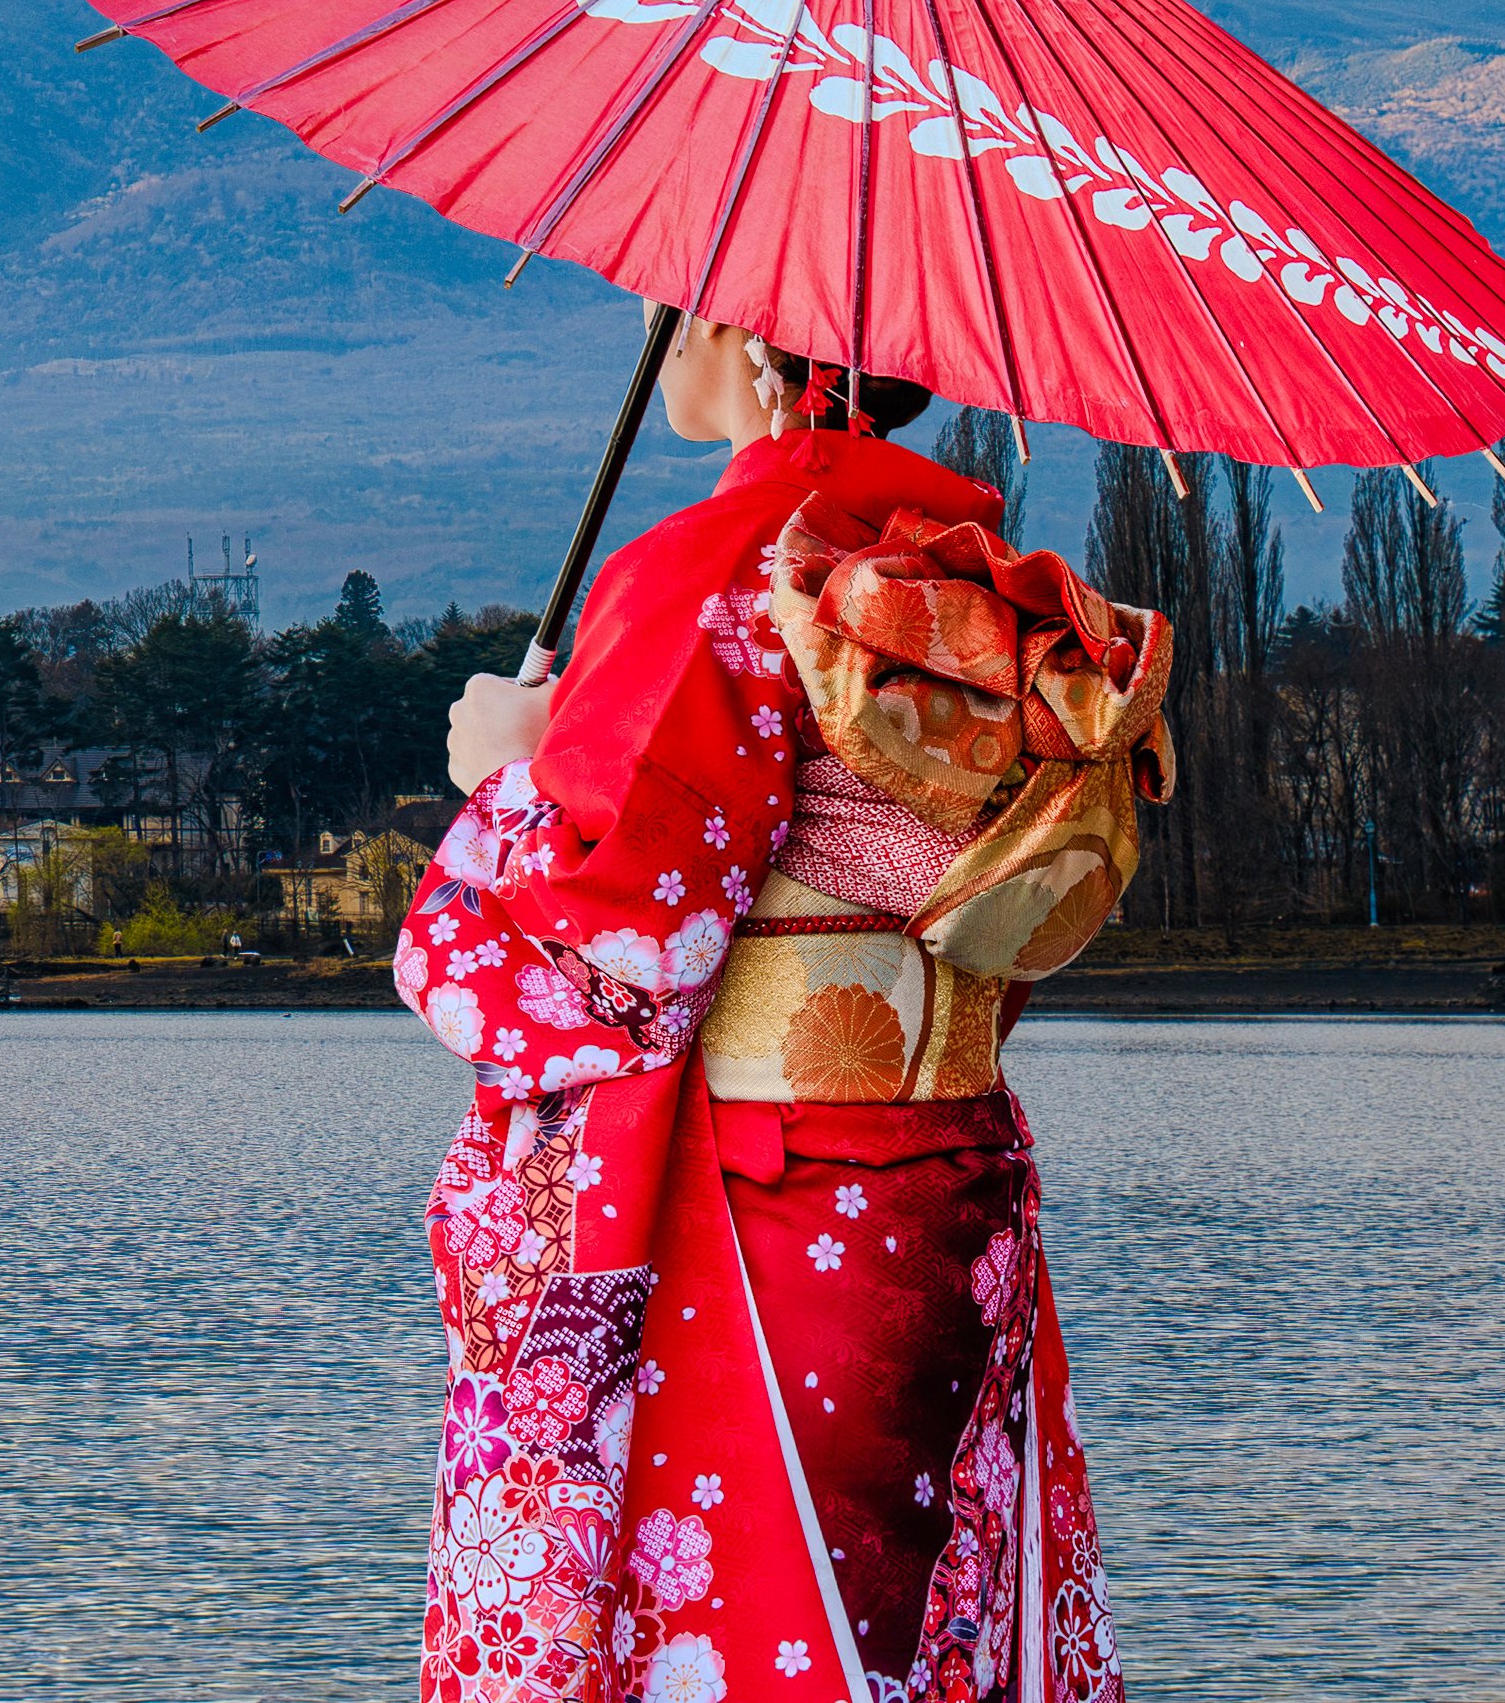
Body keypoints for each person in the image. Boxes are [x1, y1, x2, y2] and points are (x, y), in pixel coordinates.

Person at [395, 315, 1177, 1703]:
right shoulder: (974, 587)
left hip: (771, 1214)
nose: (651, 332)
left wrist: (511, 775)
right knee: (909, 1625)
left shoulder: (711, 577)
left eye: (664, 306)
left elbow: (611, 963)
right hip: (950, 1198)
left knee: (771, 1642)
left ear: (754, 340)